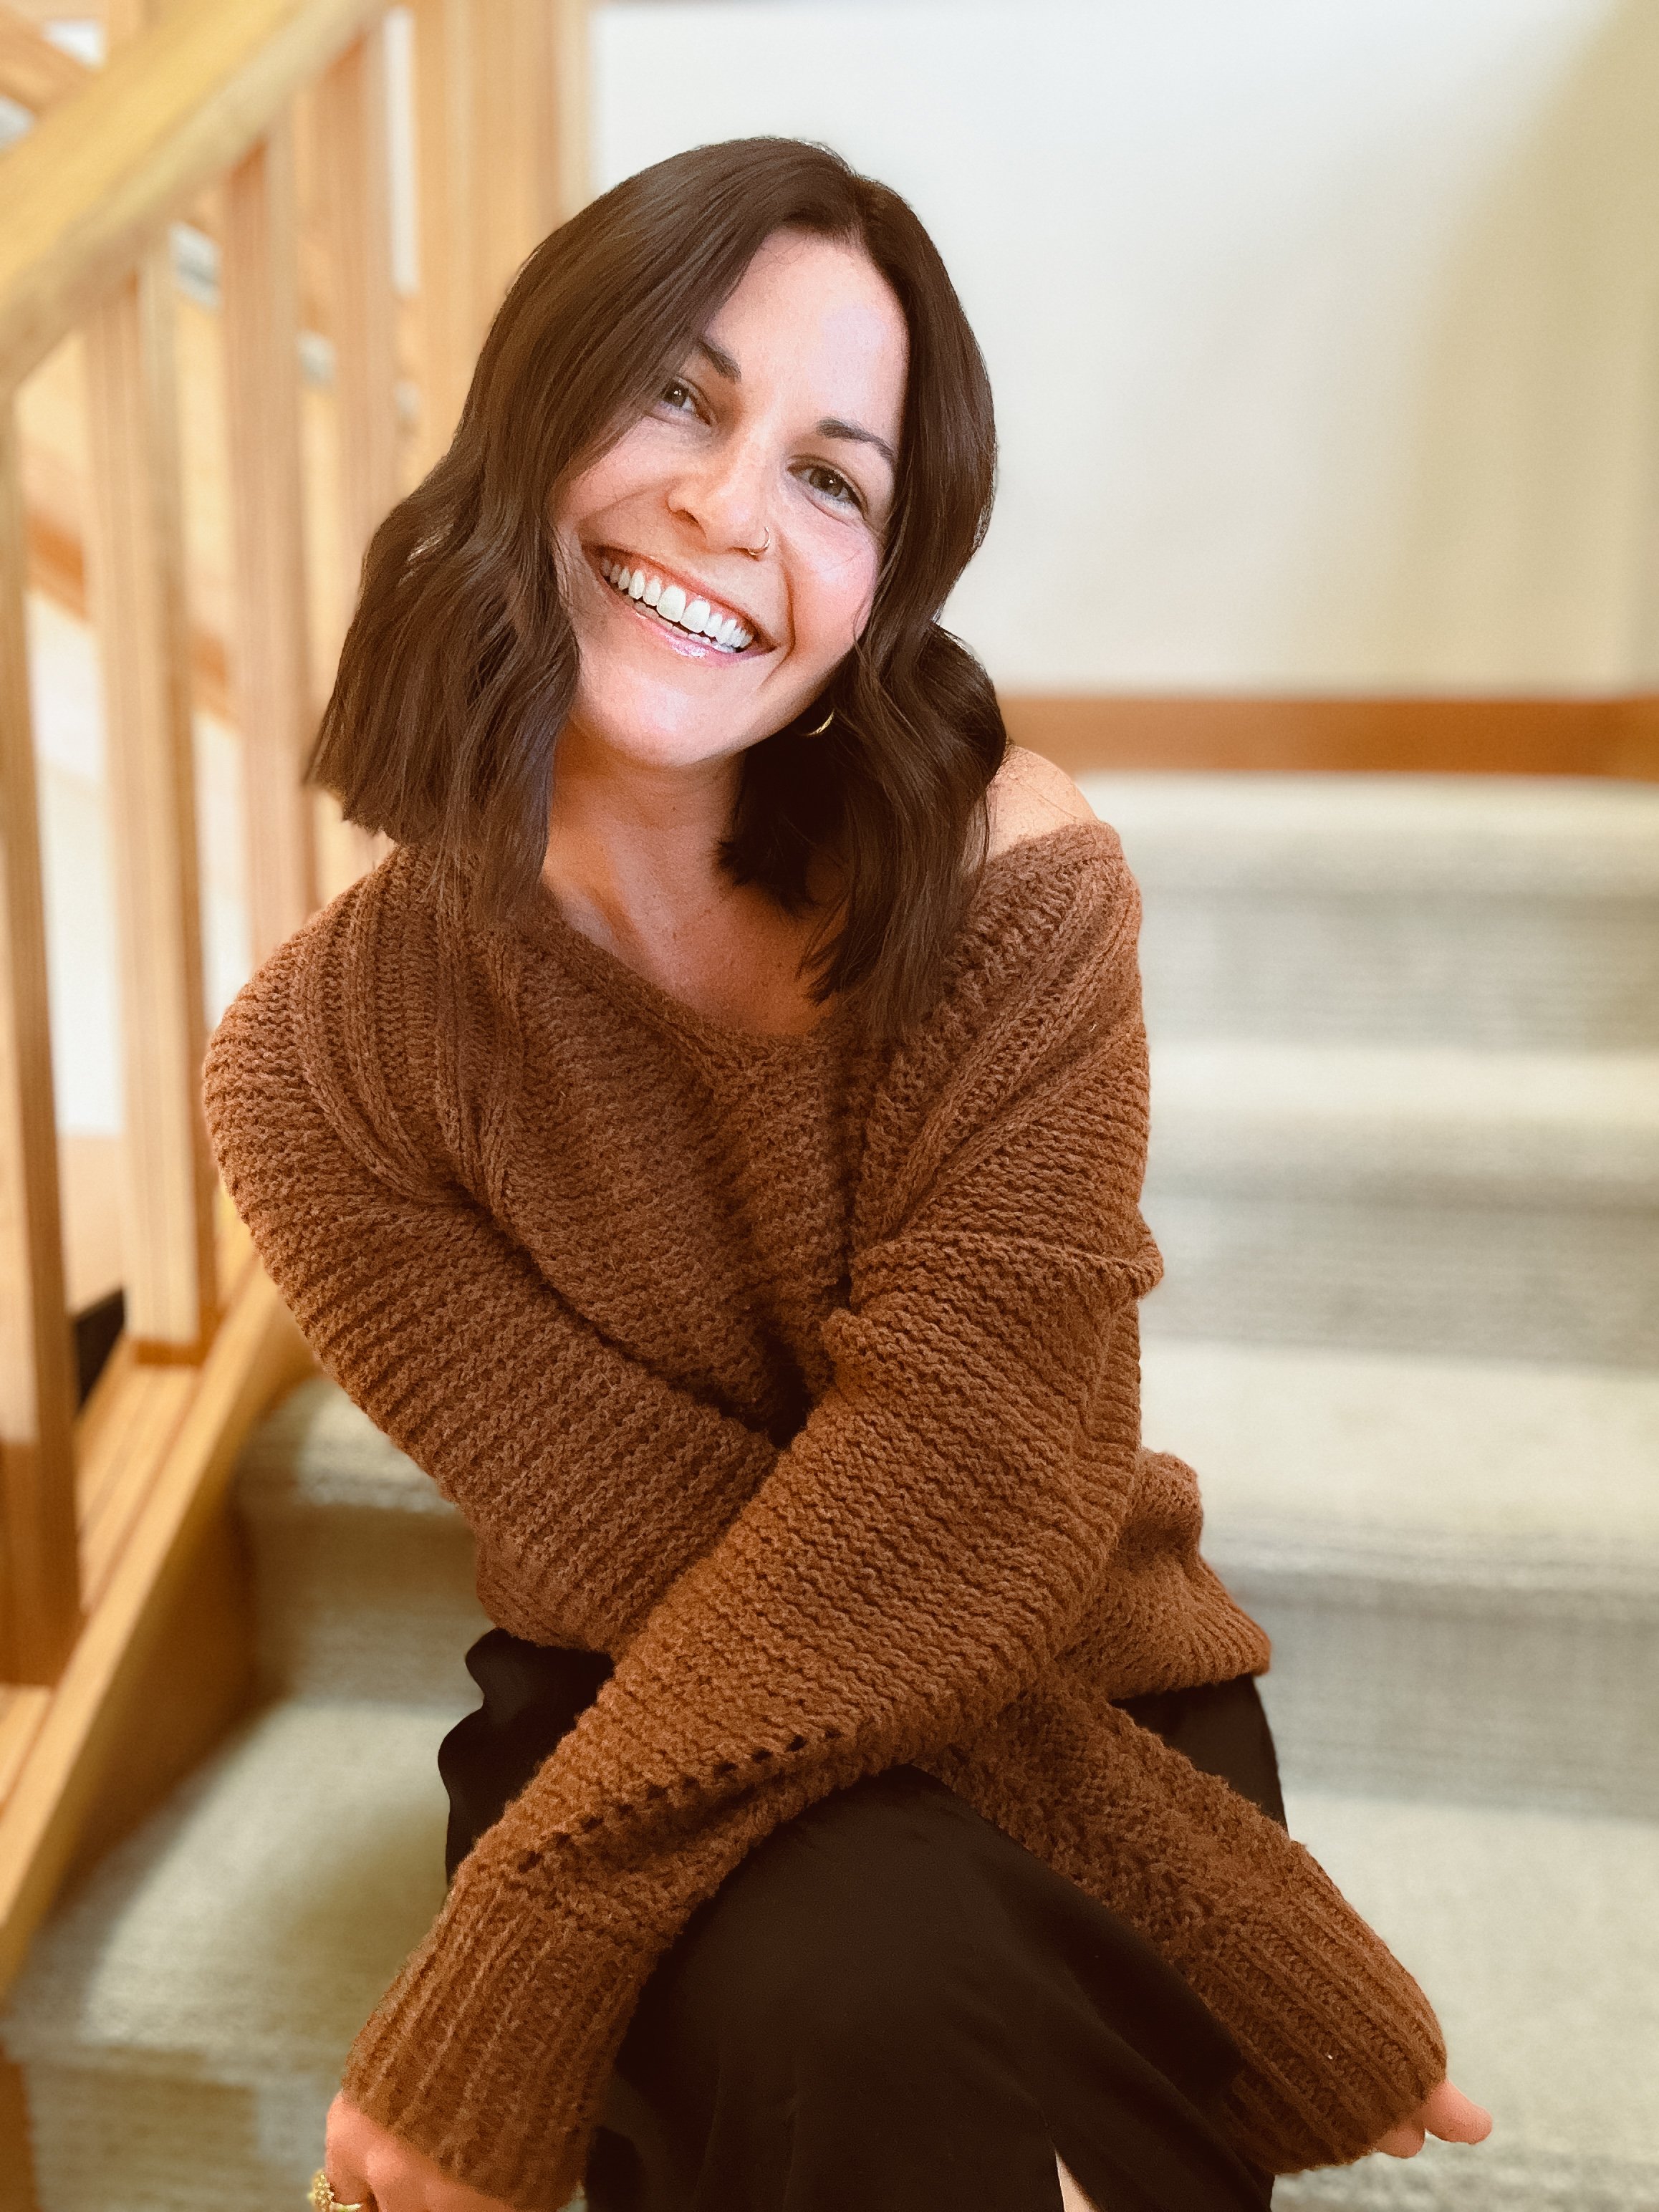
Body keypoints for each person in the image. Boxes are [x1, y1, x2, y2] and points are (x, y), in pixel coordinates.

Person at [203, 138, 1491, 2212]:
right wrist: (1241, 1921)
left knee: (876, 1999)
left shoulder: (1011, 884)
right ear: (530, 416)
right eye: (680, 399)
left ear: (882, 587)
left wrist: (513, 1940)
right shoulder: (315, 1072)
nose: (727, 509)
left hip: (1078, 1652)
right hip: (633, 1692)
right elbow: (659, 1535)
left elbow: (972, 1488)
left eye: (834, 476)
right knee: (851, 1984)